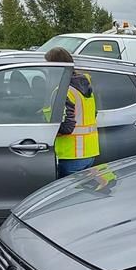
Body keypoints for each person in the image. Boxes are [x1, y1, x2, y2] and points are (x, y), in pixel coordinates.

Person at [44, 47, 100, 177]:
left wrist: (47, 129)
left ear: (57, 67)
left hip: (71, 155)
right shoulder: (85, 86)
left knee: (69, 195)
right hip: (89, 152)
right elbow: (93, 113)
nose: (47, 70)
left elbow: (67, 127)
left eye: (48, 66)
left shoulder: (65, 91)